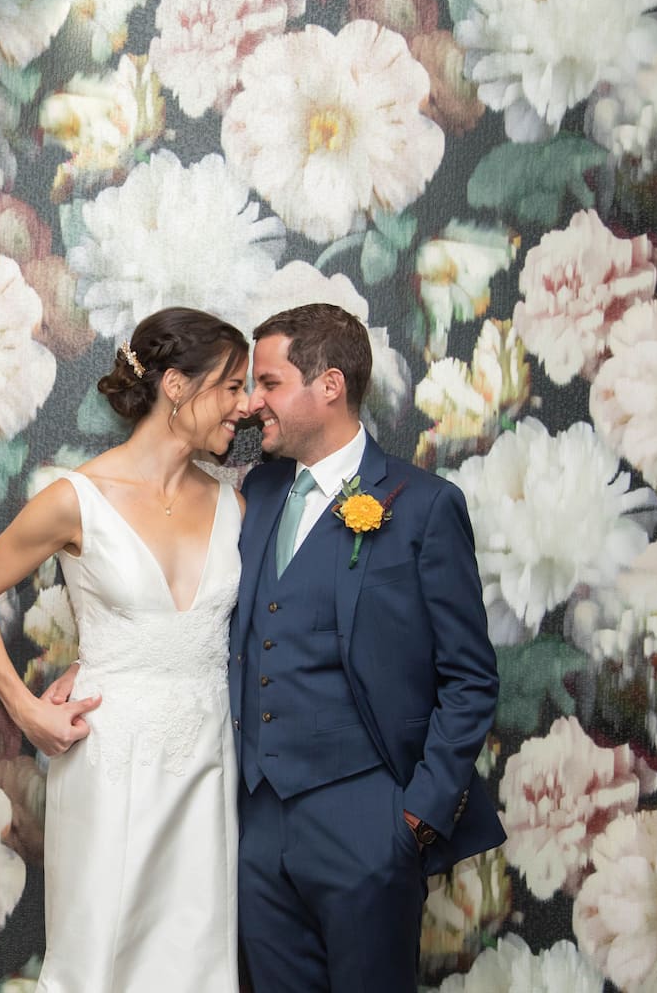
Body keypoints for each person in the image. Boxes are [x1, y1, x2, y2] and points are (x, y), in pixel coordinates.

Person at [0, 307, 251, 992]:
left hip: (208, 761)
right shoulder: (76, 500)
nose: (246, 406)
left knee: (196, 960)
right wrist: (25, 708)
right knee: (101, 956)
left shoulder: (234, 505)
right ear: (176, 385)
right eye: (232, 387)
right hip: (110, 759)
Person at [232, 303, 504, 992]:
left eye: (268, 383)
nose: (251, 403)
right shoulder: (256, 492)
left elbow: (471, 677)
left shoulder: (424, 506)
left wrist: (415, 818)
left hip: (368, 822)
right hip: (258, 825)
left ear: (329, 385)